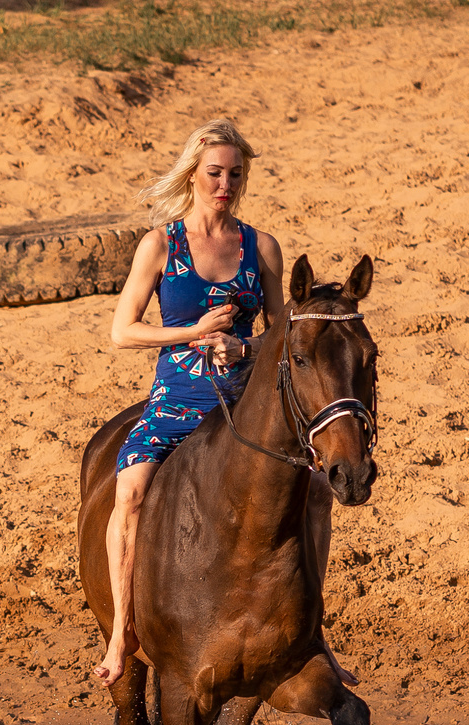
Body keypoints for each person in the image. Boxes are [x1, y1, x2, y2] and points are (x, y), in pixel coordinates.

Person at [93, 119, 357, 694]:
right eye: (215, 173)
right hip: (175, 399)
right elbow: (122, 332)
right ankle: (122, 634)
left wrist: (244, 345)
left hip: (243, 402)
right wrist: (187, 331)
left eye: (235, 175)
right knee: (130, 491)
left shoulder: (260, 246)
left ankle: (315, 634)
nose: (225, 185)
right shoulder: (162, 244)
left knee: (315, 492)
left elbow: (283, 336)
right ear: (194, 172)